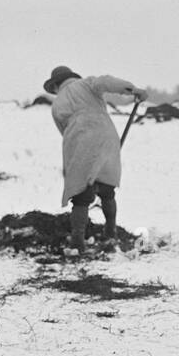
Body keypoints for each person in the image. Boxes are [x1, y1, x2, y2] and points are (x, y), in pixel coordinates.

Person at [43, 65, 146, 252]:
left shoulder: (57, 105)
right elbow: (106, 81)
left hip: (77, 138)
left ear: (56, 85)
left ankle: (77, 242)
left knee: (81, 196)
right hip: (105, 133)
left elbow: (63, 131)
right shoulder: (86, 84)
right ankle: (110, 231)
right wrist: (132, 90)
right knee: (107, 189)